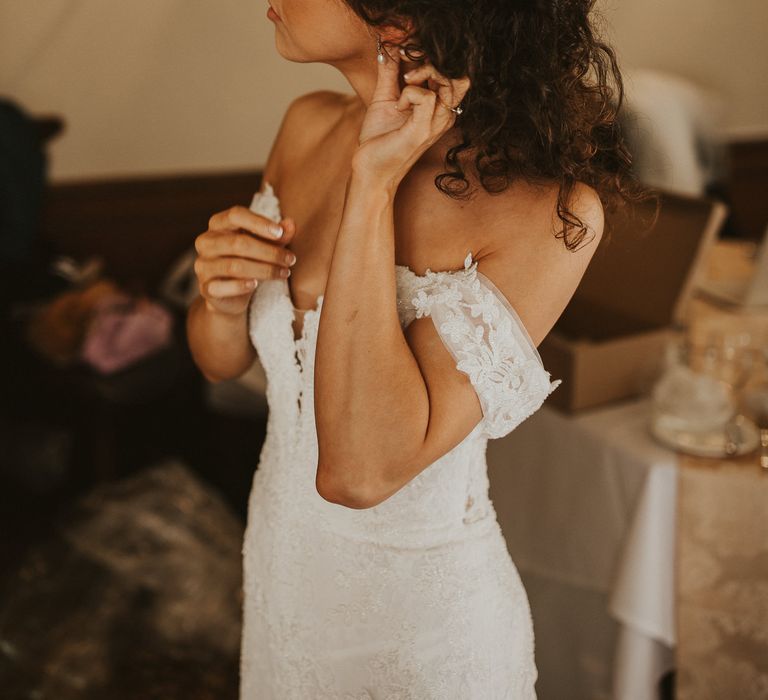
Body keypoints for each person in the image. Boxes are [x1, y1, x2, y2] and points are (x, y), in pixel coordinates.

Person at [187, 0, 644, 696]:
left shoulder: (547, 210)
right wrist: (220, 301)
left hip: (424, 638)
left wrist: (374, 187)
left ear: (398, 18)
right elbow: (222, 360)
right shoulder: (308, 126)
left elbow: (360, 473)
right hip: (286, 596)